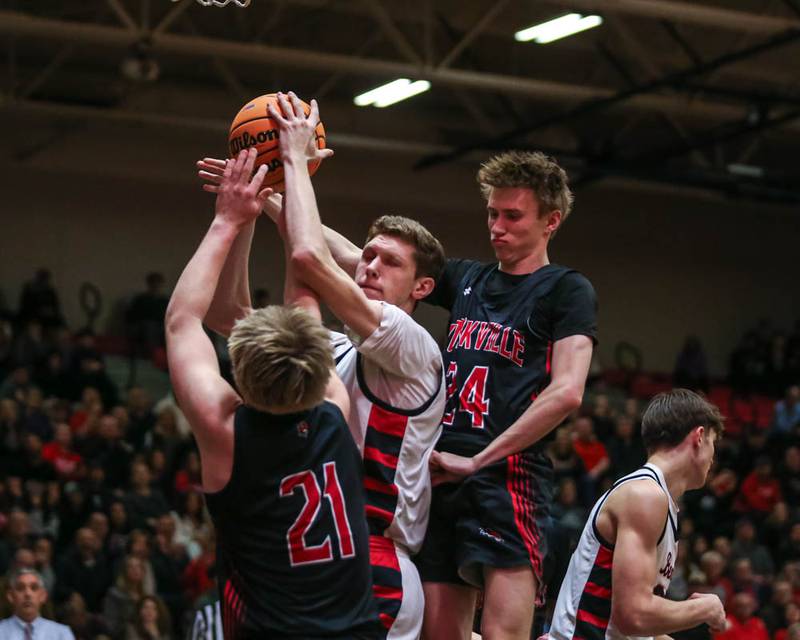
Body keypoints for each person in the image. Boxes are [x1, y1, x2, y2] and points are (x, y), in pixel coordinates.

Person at [199, 92, 446, 640]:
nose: (372, 266)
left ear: (422, 288)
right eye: (370, 255)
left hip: (376, 553)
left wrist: (291, 164)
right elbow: (227, 316)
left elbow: (309, 257)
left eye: (390, 262)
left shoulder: (415, 345)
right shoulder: (328, 348)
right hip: (317, 549)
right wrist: (251, 208)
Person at [166, 147, 377, 638]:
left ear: (238, 373)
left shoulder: (226, 434)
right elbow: (306, 282)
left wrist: (229, 219)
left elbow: (181, 321)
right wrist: (293, 172)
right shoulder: (333, 409)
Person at [411, 150, 597, 639]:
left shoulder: (565, 289)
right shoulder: (466, 278)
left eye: (512, 215)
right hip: (441, 477)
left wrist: (478, 461)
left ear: (550, 221)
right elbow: (368, 260)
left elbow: (567, 393)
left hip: (507, 478)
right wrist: (280, 200)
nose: (497, 226)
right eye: (492, 213)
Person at [548, 389, 727, 640]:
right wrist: (705, 608)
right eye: (713, 442)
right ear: (698, 437)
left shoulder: (659, 501)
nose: (713, 457)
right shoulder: (645, 495)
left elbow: (634, 627)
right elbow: (633, 615)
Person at [0, 567, 74, 639]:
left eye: (34, 588)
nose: (27, 593)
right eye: (20, 588)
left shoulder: (61, 633)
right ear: (11, 596)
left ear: (43, 595)